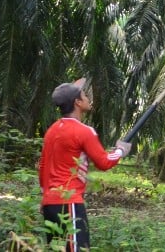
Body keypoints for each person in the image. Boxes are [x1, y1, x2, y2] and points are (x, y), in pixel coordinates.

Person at [39, 78, 131, 251]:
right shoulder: (83, 131)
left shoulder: (52, 130)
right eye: (84, 95)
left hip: (50, 202)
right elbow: (103, 162)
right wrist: (120, 151)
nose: (88, 98)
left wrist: (45, 197)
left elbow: (43, 167)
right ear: (78, 102)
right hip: (69, 203)